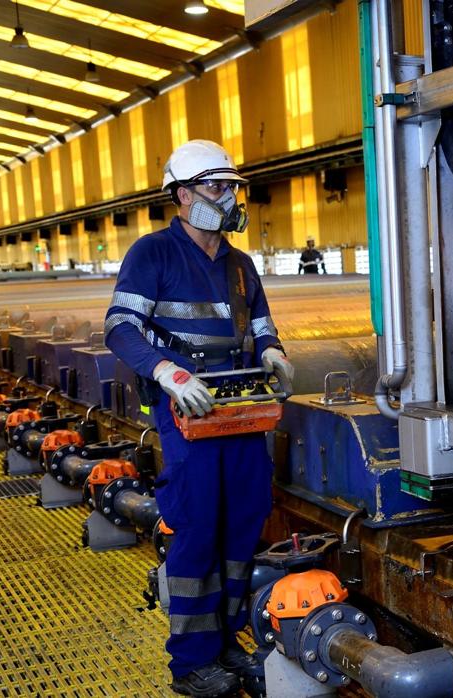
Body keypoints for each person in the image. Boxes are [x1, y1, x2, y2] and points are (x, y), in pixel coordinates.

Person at [103, 139, 293, 697]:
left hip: (239, 404)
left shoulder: (240, 264)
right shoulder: (152, 253)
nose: (228, 196)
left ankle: (227, 639)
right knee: (198, 525)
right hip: (185, 407)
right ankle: (189, 662)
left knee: (245, 518)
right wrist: (168, 373)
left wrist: (273, 352)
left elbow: (259, 324)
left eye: (232, 186)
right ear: (183, 196)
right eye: (216, 186)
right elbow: (120, 327)